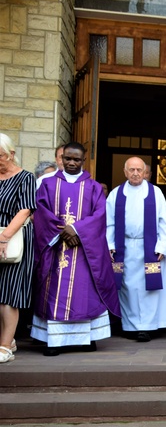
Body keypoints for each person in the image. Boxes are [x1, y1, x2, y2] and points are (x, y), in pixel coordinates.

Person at [32, 142, 121, 356]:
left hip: (84, 251)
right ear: (61, 159)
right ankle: (54, 341)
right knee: (55, 290)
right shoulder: (48, 184)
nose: (72, 163)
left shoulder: (93, 187)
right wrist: (62, 231)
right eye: (68, 159)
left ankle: (85, 338)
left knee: (83, 291)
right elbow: (40, 210)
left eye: (76, 159)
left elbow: (100, 215)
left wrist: (77, 230)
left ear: (83, 161)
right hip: (56, 248)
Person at [107, 157, 166, 342]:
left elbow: (164, 222)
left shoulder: (155, 192)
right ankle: (130, 326)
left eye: (139, 170)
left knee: (149, 288)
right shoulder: (116, 194)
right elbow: (109, 223)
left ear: (145, 172)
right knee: (127, 286)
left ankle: (146, 327)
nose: (136, 173)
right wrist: (111, 245)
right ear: (125, 171)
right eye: (132, 170)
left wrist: (163, 245)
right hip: (126, 247)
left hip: (150, 247)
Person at [0, 134, 35, 363]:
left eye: (0, 156)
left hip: (13, 238)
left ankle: (4, 346)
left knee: (9, 294)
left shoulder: (25, 178)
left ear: (11, 154)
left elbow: (25, 210)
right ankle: (8, 339)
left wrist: (3, 238)